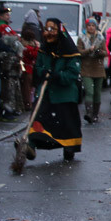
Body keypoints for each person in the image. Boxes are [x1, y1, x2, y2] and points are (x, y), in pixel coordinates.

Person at [29, 19, 82, 162]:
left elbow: (72, 73)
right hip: (45, 93)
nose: (48, 33)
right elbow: (38, 67)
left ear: (59, 31)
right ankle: (31, 144)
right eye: (46, 29)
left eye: (52, 29)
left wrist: (57, 75)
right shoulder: (43, 50)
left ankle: (69, 147)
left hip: (64, 95)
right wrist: (43, 72)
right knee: (38, 119)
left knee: (65, 124)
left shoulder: (71, 52)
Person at [77, 18, 107, 123]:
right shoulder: (81, 38)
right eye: (89, 25)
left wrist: (98, 51)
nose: (91, 27)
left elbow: (105, 53)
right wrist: (88, 50)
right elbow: (79, 52)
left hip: (98, 69)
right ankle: (89, 113)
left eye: (93, 25)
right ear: (86, 27)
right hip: (86, 69)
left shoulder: (100, 38)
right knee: (89, 91)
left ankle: (95, 114)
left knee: (97, 93)